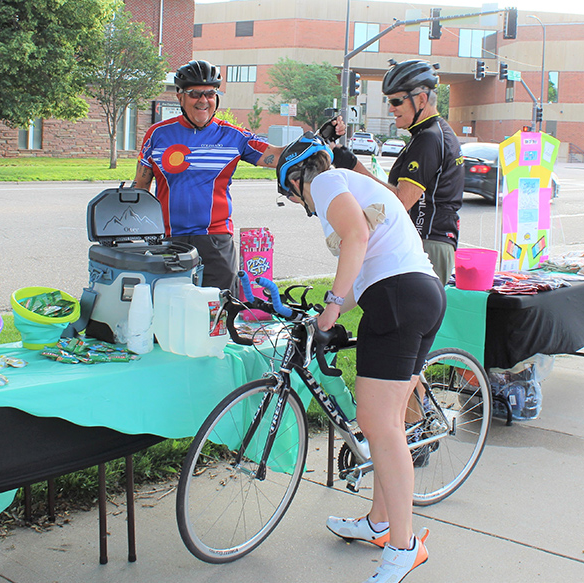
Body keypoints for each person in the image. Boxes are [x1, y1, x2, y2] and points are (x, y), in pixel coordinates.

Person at [276, 132, 446, 583]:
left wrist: (330, 308)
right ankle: (378, 522)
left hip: (395, 298)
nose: (298, 203)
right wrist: (329, 308)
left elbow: (356, 236)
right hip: (420, 294)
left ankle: (404, 546)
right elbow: (358, 275)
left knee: (380, 426)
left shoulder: (328, 179)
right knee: (388, 425)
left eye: (291, 194)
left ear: (297, 178)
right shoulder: (351, 184)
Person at [133, 59, 285, 291]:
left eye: (210, 94)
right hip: (168, 239)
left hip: (215, 240)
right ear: (180, 96)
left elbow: (276, 155)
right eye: (195, 94)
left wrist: (320, 140)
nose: (203, 100)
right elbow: (140, 186)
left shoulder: (233, 136)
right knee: (168, 310)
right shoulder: (157, 135)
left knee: (220, 311)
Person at [333, 59, 464, 285]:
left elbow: (402, 200)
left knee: (411, 318)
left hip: (427, 241)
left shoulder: (429, 138)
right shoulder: (431, 133)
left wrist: (353, 166)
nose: (391, 108)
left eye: (396, 101)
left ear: (421, 99)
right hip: (428, 239)